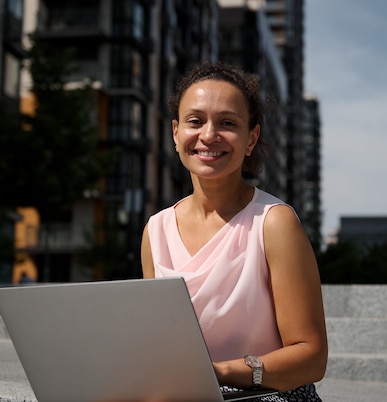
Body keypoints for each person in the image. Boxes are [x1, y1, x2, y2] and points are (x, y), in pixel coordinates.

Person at [140, 61, 328, 401]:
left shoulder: (274, 222)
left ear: (251, 138)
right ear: (175, 133)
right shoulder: (156, 230)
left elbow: (311, 357)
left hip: (269, 396)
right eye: (195, 121)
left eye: (227, 123)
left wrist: (221, 372)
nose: (208, 135)